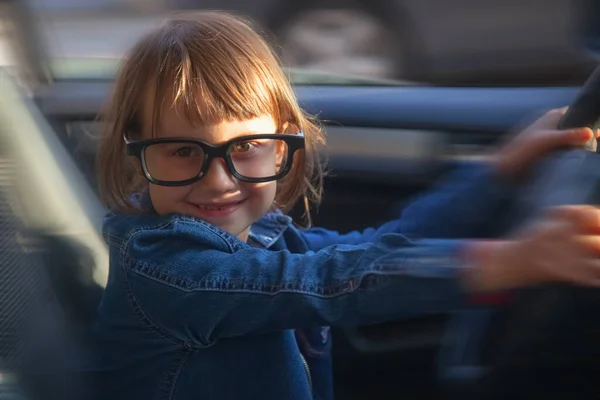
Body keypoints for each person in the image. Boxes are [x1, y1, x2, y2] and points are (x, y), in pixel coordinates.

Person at [84, 11, 600, 400]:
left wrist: (498, 170)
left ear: (285, 141)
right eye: (181, 151)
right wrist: (509, 261)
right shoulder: (166, 271)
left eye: (245, 147)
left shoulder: (260, 236)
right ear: (135, 153)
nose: (219, 180)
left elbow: (376, 248)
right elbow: (328, 282)